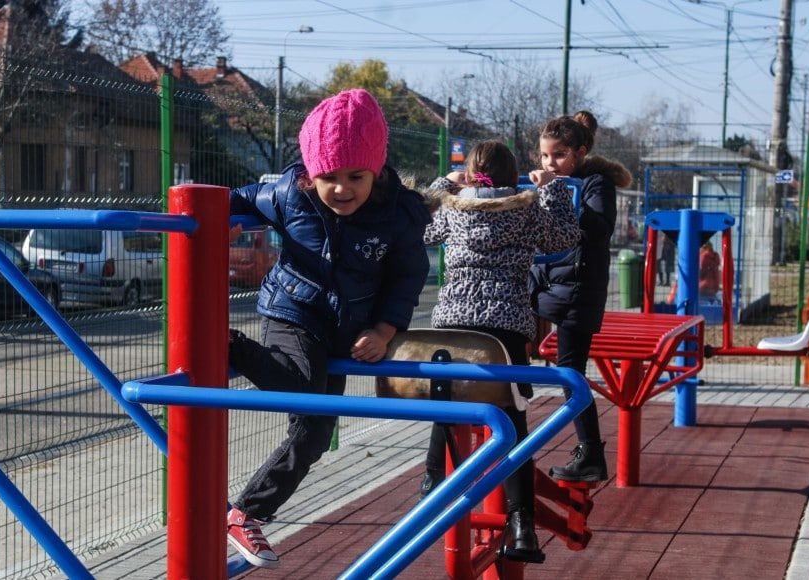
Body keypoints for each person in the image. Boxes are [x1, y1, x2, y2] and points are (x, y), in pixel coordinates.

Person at [225, 88, 431, 569]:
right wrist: (219, 217)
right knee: (301, 392)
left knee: (316, 432)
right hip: (292, 309)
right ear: (310, 173)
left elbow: (408, 276)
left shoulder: (396, 215)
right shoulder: (288, 195)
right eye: (328, 177)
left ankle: (246, 513)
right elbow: (237, 198)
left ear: (375, 170)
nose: (341, 189)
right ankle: (229, 346)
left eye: (355, 177)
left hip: (345, 328)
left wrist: (383, 330)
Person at [421, 140, 580, 563]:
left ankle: (433, 483)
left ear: (470, 175)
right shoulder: (526, 209)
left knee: (447, 401)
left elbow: (418, 226)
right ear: (514, 176)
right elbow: (565, 237)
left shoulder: (454, 209)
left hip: (453, 324)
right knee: (512, 421)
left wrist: (443, 185)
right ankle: (522, 524)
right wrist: (551, 189)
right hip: (505, 328)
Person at [529, 111, 632, 483]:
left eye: (558, 155)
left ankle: (590, 452)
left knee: (571, 374)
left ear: (579, 152)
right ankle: (513, 399)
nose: (549, 163)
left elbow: (599, 229)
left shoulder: (595, 184)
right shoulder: (553, 183)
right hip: (547, 284)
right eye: (544, 156)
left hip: (578, 289)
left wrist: (557, 192)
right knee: (510, 329)